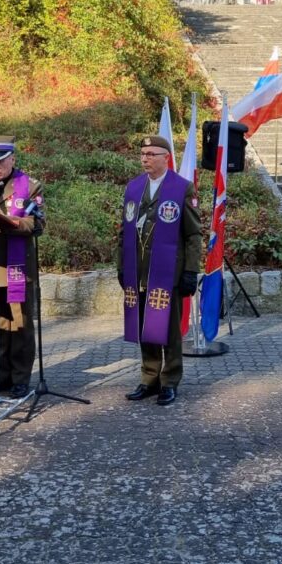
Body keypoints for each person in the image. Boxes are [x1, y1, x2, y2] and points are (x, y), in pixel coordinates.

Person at [117, 134, 203, 406]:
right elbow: (123, 232)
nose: (146, 158)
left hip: (169, 272)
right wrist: (121, 266)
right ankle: (149, 378)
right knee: (145, 327)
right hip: (138, 271)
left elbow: (193, 235)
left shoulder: (182, 188)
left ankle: (170, 380)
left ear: (167, 157)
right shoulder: (133, 188)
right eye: (143, 154)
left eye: (152, 154)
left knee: (168, 330)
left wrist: (191, 271)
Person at [0, 135, 44, 399]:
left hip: (18, 268)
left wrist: (9, 222)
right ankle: (1, 377)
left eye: (0, 161)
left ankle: (20, 379)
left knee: (20, 326)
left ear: (13, 159)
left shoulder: (30, 187)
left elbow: (37, 225)